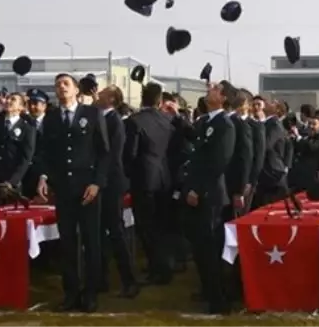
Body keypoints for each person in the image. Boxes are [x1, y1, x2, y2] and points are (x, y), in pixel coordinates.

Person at [35, 73, 110, 312]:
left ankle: (90, 293)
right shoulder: (51, 118)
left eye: (66, 83)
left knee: (91, 241)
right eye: (57, 85)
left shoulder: (92, 114)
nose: (61, 87)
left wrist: (97, 183)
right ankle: (71, 293)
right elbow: (44, 152)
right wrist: (44, 176)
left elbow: (104, 153)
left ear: (77, 90)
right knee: (67, 243)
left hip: (87, 188)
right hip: (64, 190)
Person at [180, 80, 238, 315]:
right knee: (200, 248)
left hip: (210, 195)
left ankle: (218, 298)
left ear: (223, 97)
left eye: (214, 89)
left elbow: (218, 163)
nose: (209, 90)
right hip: (195, 191)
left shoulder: (225, 125)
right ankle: (207, 290)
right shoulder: (206, 121)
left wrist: (199, 190)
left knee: (210, 248)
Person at [124, 81, 175, 286]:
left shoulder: (134, 122)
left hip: (143, 179)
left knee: (146, 226)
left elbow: (130, 153)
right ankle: (165, 265)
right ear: (160, 101)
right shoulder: (166, 120)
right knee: (162, 225)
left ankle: (157, 269)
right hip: (164, 177)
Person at [95, 85, 138, 299]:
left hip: (111, 184)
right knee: (100, 233)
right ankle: (101, 279)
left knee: (116, 231)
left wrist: (100, 180)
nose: (97, 94)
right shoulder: (100, 118)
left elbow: (113, 156)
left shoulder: (115, 122)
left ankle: (129, 280)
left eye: (102, 92)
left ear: (111, 98)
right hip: (100, 183)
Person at [0, 92, 36, 207]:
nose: (8, 101)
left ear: (21, 107)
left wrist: (12, 182)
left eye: (13, 99)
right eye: (8, 99)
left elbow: (25, 158)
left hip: (10, 185)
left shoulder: (27, 129)